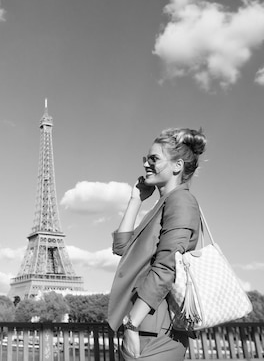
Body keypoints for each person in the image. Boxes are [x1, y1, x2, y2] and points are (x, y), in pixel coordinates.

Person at [108, 128, 207, 360]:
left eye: (154, 159)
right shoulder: (163, 204)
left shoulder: (181, 201)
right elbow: (122, 248)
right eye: (146, 159)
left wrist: (132, 323)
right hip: (144, 324)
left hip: (153, 328)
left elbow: (167, 267)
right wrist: (135, 200)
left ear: (177, 165)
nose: (146, 164)